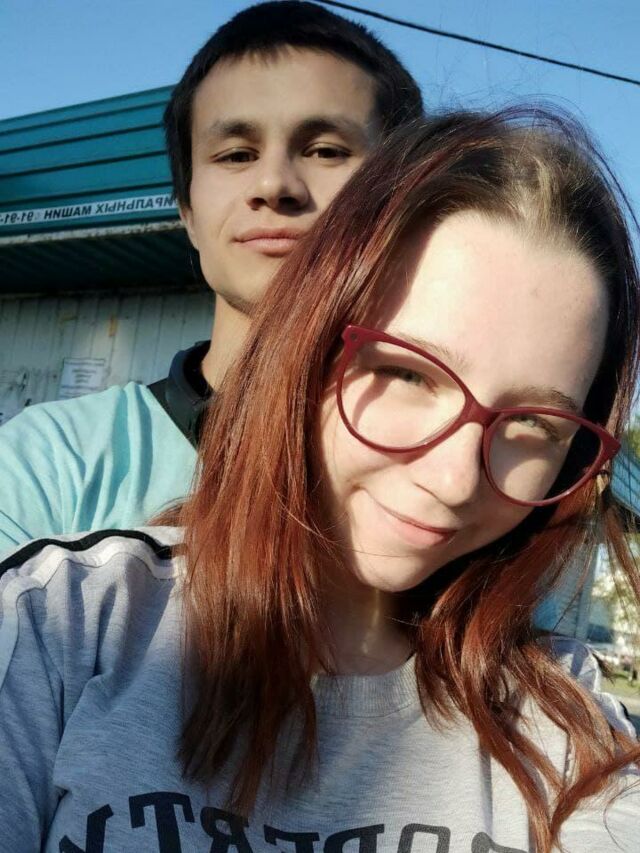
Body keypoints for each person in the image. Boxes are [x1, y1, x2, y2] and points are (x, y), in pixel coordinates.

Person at [1, 108, 639, 853]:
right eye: (408, 373)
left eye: (533, 422)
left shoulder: (565, 726)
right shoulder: (63, 626)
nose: (455, 478)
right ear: (305, 342)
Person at [0, 1, 423, 557]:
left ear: (403, 199)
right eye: (236, 155)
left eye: (326, 150)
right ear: (189, 215)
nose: (274, 185)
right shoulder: (47, 462)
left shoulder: (452, 466)